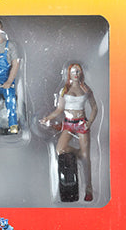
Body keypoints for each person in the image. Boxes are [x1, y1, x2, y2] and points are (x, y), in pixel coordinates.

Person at [39, 63, 98, 201]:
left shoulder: (86, 89)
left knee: (86, 158)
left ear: (81, 73)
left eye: (78, 71)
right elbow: (59, 110)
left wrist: (89, 122)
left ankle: (88, 189)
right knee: (60, 149)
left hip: (82, 123)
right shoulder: (64, 90)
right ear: (69, 74)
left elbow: (95, 108)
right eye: (73, 72)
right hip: (68, 123)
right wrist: (47, 118)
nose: (76, 74)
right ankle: (79, 154)